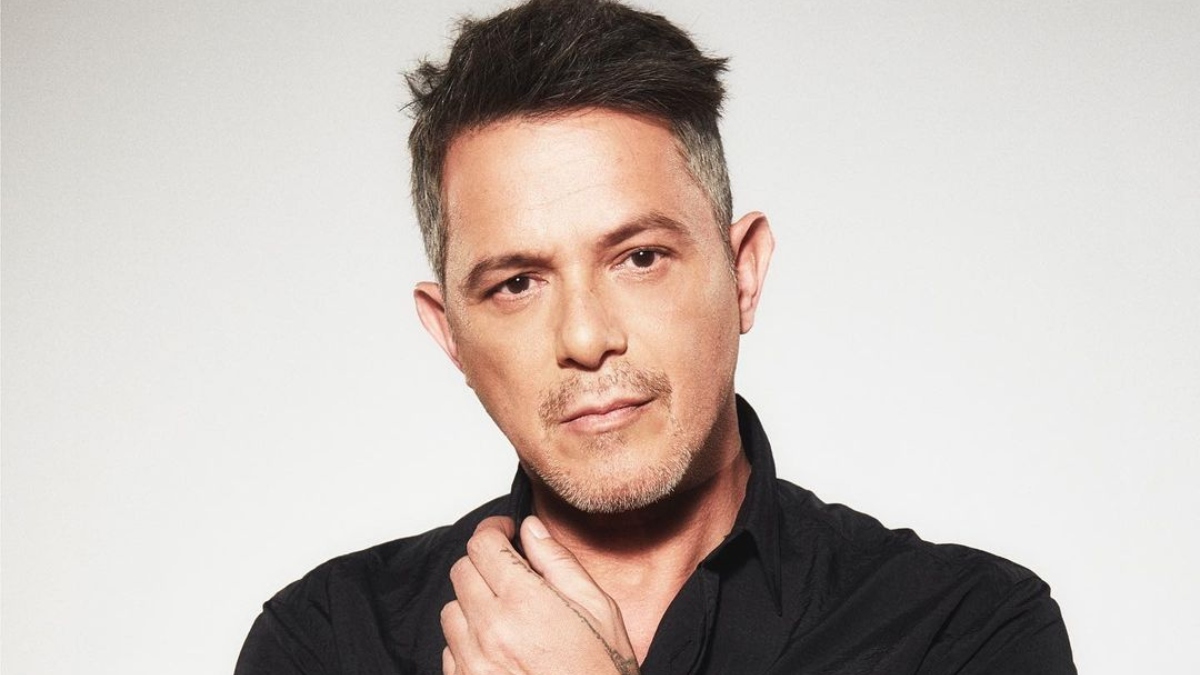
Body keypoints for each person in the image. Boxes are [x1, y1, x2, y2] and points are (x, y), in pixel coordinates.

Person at [235, 1, 1076, 673]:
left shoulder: (966, 630)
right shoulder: (328, 643)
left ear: (743, 273)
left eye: (640, 257)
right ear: (449, 334)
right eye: (517, 283)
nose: (586, 336)